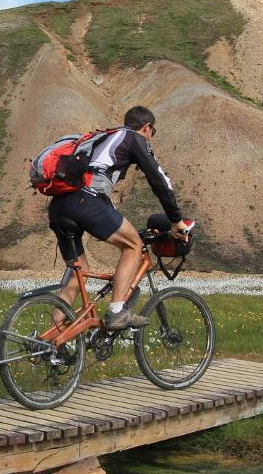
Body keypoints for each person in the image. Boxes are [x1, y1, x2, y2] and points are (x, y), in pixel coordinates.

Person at [48, 105, 188, 330]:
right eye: (153, 132)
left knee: (78, 271)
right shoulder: (134, 138)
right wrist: (176, 220)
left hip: (59, 203)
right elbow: (159, 181)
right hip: (86, 199)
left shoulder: (105, 136)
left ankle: (51, 339)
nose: (151, 138)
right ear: (146, 127)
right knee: (134, 245)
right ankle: (117, 312)